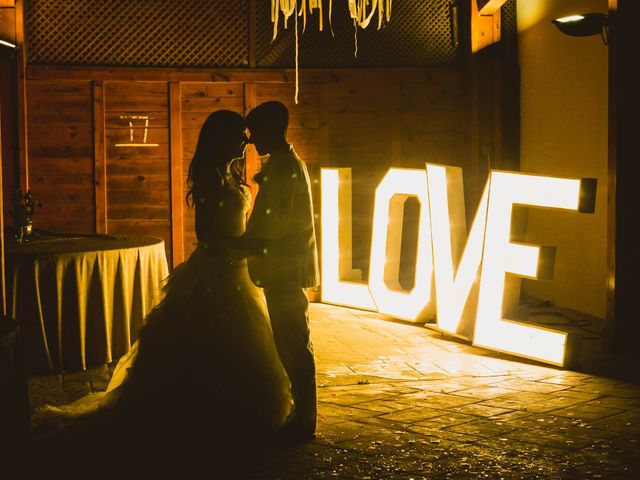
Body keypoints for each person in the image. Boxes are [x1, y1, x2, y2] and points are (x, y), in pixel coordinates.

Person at [29, 110, 293, 472]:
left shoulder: (232, 174)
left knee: (238, 346)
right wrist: (243, 247)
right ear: (219, 139)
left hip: (237, 272)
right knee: (209, 343)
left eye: (245, 136)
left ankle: (230, 411)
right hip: (217, 271)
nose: (245, 142)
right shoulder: (208, 176)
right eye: (238, 136)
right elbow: (207, 234)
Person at [243, 101, 320, 442]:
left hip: (286, 268)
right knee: (290, 341)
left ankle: (305, 418)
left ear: (273, 130)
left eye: (256, 132)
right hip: (283, 267)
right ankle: (302, 412)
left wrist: (244, 244)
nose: (252, 140)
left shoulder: (287, 168)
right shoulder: (286, 164)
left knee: (293, 342)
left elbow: (276, 224)